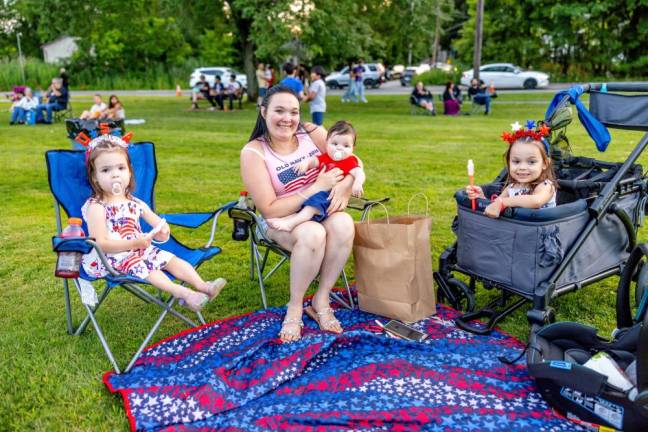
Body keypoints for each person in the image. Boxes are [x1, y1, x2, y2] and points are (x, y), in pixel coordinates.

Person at [240, 85, 356, 343]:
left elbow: (349, 156)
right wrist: (316, 187)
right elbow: (269, 207)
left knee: (345, 224)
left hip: (320, 208)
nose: (287, 118)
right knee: (313, 233)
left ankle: (321, 298)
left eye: (293, 111)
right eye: (279, 110)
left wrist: (346, 186)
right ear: (263, 112)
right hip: (281, 220)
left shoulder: (312, 132)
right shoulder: (254, 152)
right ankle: (295, 307)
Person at [82, 135, 227, 312]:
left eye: (121, 168)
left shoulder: (135, 202)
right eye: (105, 170)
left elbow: (158, 223)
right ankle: (184, 294)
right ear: (94, 177)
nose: (115, 174)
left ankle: (203, 286)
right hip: (111, 258)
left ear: (129, 172)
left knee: (171, 259)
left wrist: (162, 231)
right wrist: (134, 243)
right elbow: (101, 244)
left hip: (141, 249)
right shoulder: (96, 207)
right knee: (148, 266)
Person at [267, 120, 364, 232]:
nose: (339, 148)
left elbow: (358, 172)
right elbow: (314, 161)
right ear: (327, 142)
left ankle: (290, 224)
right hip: (319, 193)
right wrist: (306, 163)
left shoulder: (349, 161)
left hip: (329, 196)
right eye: (335, 144)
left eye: (346, 146)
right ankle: (290, 219)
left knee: (311, 208)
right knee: (307, 205)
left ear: (353, 148)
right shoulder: (326, 157)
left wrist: (357, 183)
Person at [466, 121, 556, 218]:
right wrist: (481, 198)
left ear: (545, 163)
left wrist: (504, 202)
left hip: (541, 231)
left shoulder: (546, 186)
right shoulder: (511, 187)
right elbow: (495, 206)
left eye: (531, 162)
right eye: (516, 162)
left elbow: (536, 201)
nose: (522, 167)